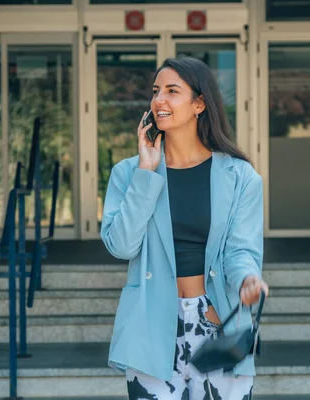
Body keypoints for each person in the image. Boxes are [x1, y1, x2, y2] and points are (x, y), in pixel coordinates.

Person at [100, 56, 269, 400]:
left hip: (216, 321)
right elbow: (121, 246)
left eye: (172, 91)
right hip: (150, 325)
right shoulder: (128, 173)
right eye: (156, 91)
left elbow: (240, 251)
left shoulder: (240, 177)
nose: (159, 100)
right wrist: (147, 173)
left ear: (199, 104)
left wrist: (247, 279)